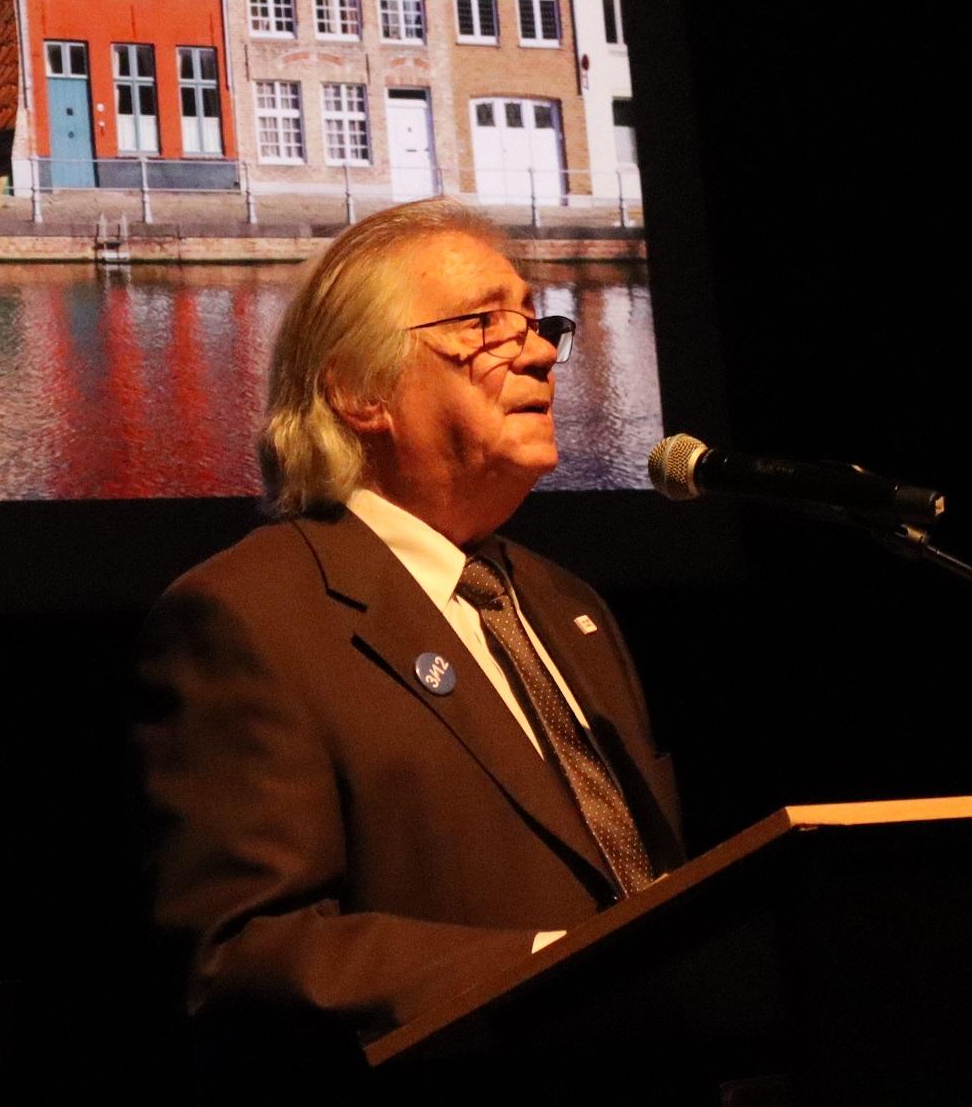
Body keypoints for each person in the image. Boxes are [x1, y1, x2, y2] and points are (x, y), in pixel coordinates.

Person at [136, 199, 686, 1067]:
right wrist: (556, 970)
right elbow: (243, 951)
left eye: (536, 322)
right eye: (483, 325)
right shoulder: (250, 615)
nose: (541, 351)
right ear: (360, 392)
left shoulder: (569, 604)